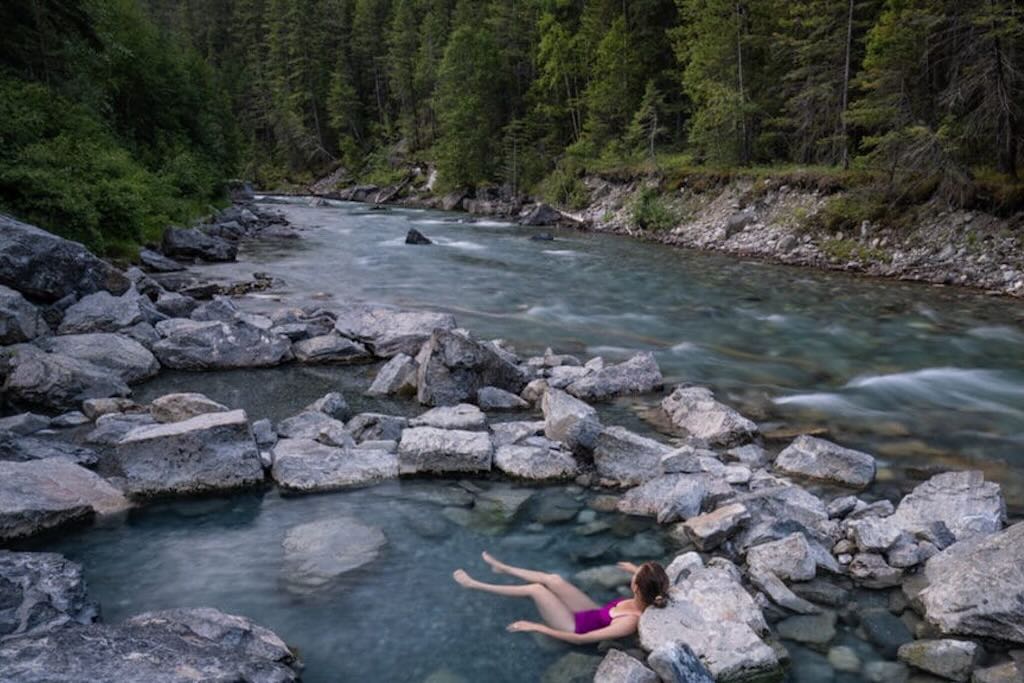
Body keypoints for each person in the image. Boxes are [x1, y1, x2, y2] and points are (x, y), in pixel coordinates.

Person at [452, 551, 670, 644]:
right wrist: (635, 569)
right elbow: (657, 584)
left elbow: (582, 639)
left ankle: (474, 585)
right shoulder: (653, 592)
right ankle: (501, 568)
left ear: (637, 589)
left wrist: (537, 627)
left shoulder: (629, 622)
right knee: (554, 579)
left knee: (536, 589)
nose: (633, 573)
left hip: (574, 627)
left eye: (636, 574)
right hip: (594, 613)